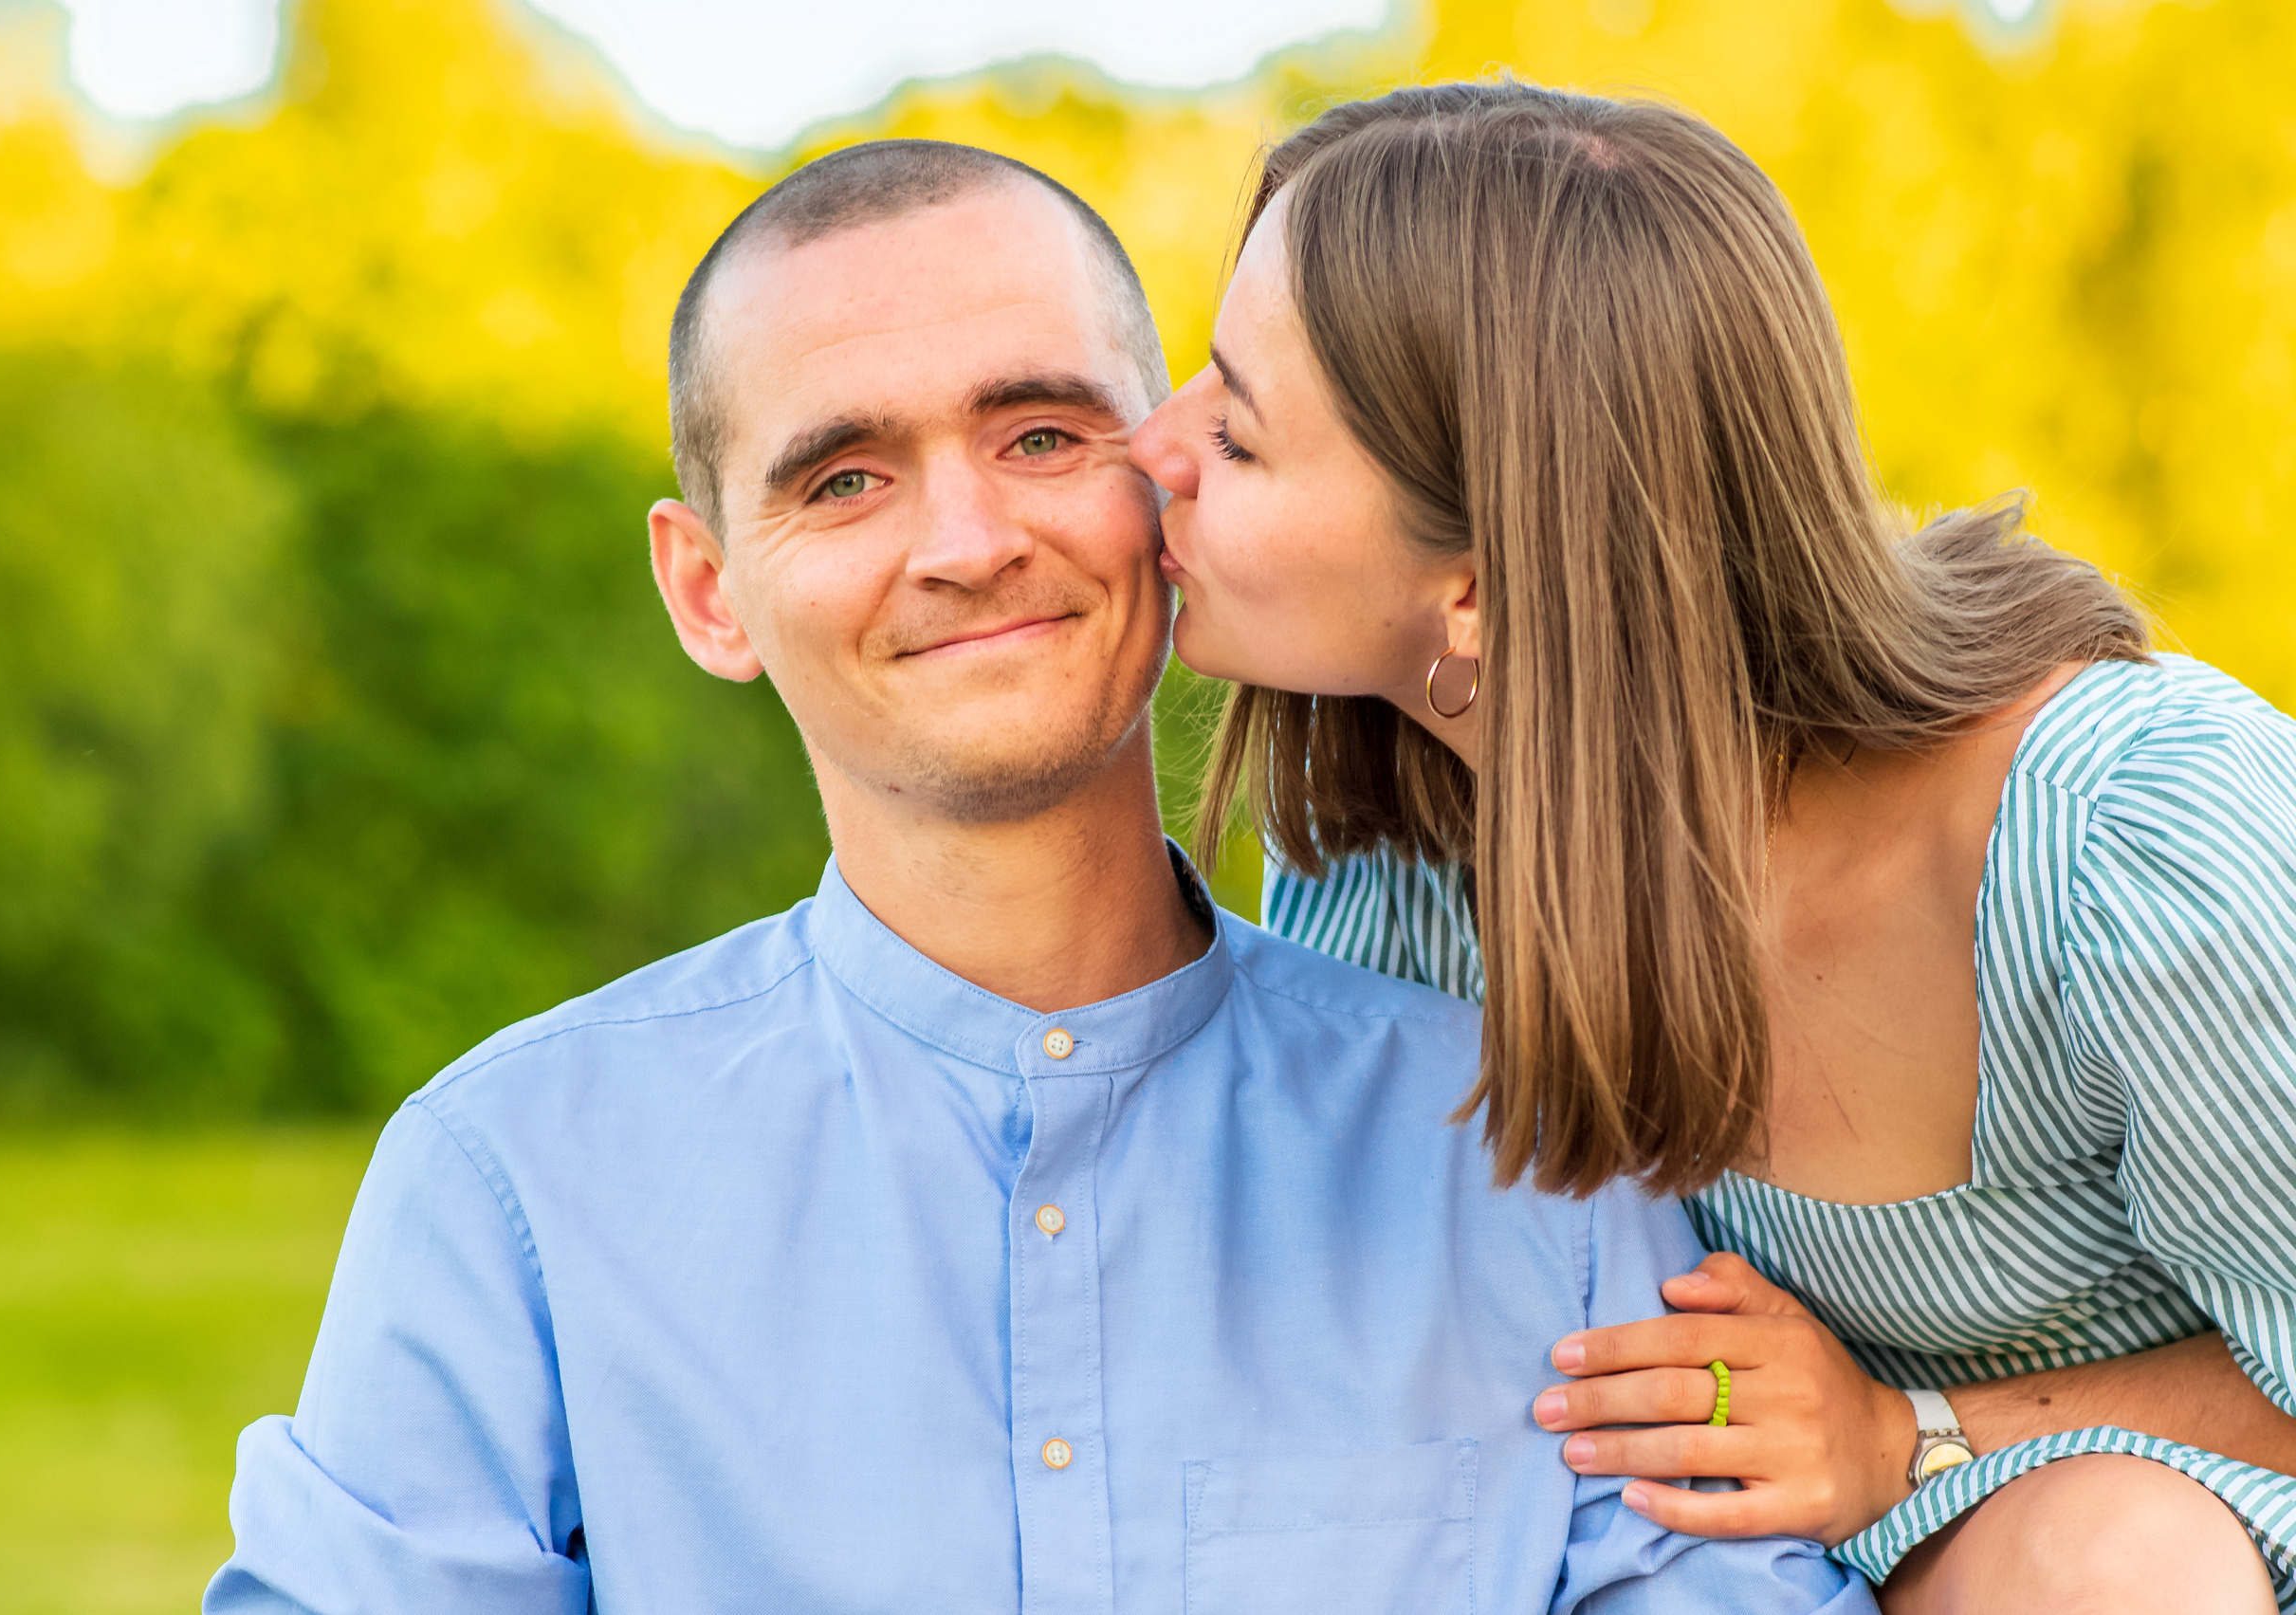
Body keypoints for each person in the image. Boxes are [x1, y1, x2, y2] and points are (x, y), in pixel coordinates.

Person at [202, 138, 1871, 1613]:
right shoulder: (513, 1192)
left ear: (1173, 475)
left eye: (1043, 433)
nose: (966, 540)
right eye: (843, 477)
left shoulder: (1524, 1153)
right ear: (709, 590)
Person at [1128, 79, 2296, 1614]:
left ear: (1474, 586)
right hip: (1734, 1573)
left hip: (2116, 1550)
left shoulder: (2140, 843)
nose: (1153, 447)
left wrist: (1908, 1433)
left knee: (2118, 1562)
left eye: (1242, 429)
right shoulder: (1398, 859)